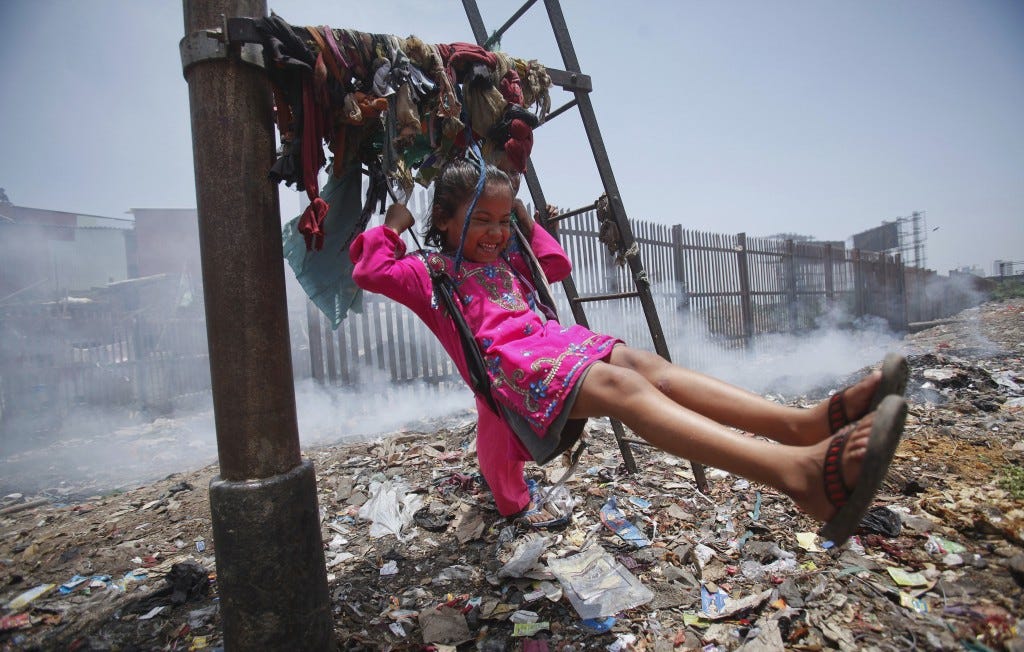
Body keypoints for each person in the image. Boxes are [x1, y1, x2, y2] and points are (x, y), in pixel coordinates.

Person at [349, 160, 909, 545]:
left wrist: (522, 220)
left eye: (501, 222)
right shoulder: (431, 274)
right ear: (443, 222)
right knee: (625, 390)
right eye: (481, 222)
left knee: (648, 367)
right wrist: (393, 227)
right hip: (514, 372)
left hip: (556, 345)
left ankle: (799, 426)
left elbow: (556, 264)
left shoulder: (507, 260)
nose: (495, 234)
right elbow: (369, 270)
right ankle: (798, 476)